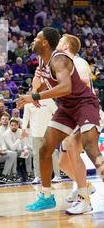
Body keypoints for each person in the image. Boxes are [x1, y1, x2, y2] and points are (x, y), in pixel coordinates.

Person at [17, 27, 102, 213]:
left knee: (88, 147)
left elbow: (65, 88)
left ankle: (84, 197)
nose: (34, 40)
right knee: (45, 148)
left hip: (83, 103)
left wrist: (36, 98)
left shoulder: (60, 59)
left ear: (45, 42)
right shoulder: (42, 60)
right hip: (66, 107)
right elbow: (45, 85)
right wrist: (34, 94)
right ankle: (47, 196)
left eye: (37, 38)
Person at [55, 34, 99, 212]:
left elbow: (82, 84)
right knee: (62, 163)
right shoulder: (65, 64)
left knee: (72, 145)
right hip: (74, 115)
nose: (57, 43)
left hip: (86, 111)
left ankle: (84, 197)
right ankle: (85, 186)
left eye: (59, 41)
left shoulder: (78, 62)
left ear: (65, 46)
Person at [22, 98, 61, 185]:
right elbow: (25, 116)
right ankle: (37, 176)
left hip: (48, 131)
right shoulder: (28, 102)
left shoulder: (49, 100)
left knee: (53, 153)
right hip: (35, 133)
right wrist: (24, 128)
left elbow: (57, 113)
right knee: (36, 155)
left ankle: (57, 175)